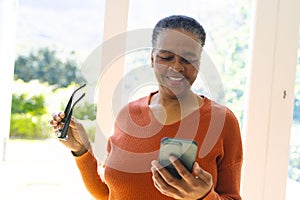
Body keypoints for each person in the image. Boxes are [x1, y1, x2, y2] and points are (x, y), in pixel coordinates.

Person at [49, 15, 243, 200]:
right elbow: (109, 194)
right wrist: (82, 150)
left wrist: (203, 196)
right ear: (152, 58)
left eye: (188, 59)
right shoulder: (128, 114)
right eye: (166, 57)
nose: (176, 67)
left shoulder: (222, 120)